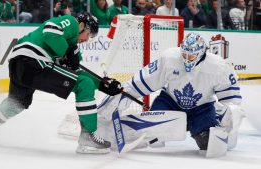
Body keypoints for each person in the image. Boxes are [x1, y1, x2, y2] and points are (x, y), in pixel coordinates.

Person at [0, 12, 122, 154]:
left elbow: (78, 73)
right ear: (82, 25)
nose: (87, 39)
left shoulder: (72, 47)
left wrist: (104, 84)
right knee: (84, 84)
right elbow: (50, 31)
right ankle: (87, 137)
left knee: (16, 103)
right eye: (89, 33)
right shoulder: (72, 23)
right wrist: (67, 51)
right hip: (33, 61)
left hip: (19, 64)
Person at [97, 32, 244, 155]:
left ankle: (211, 125)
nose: (186, 59)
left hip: (202, 108)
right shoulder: (169, 59)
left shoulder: (218, 67)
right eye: (184, 54)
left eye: (191, 56)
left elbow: (232, 101)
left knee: (207, 142)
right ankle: (108, 132)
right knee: (151, 131)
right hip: (170, 102)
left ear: (200, 53)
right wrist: (122, 95)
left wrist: (228, 121)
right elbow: (142, 82)